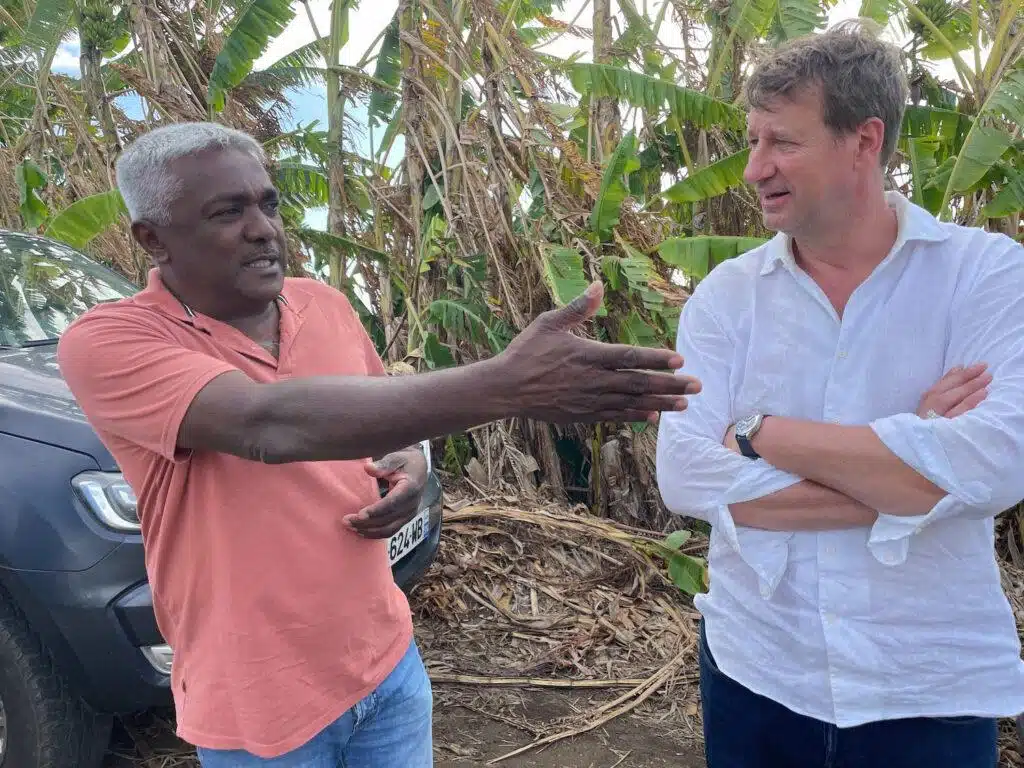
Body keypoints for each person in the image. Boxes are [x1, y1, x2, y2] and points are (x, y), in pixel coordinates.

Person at [56, 121, 702, 767]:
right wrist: (508, 386)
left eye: (269, 204)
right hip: (260, 701)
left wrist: (413, 462)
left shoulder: (324, 304)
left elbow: (382, 412)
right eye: (228, 212)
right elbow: (266, 425)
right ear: (153, 238)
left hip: (386, 662)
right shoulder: (112, 341)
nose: (263, 229)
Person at [655, 24, 1024, 768]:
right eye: (753, 141)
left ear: (864, 141)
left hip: (924, 683)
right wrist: (914, 467)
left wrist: (759, 432)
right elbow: (685, 476)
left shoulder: (985, 277)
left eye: (781, 142)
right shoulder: (726, 298)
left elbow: (999, 467)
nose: (754, 168)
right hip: (757, 667)